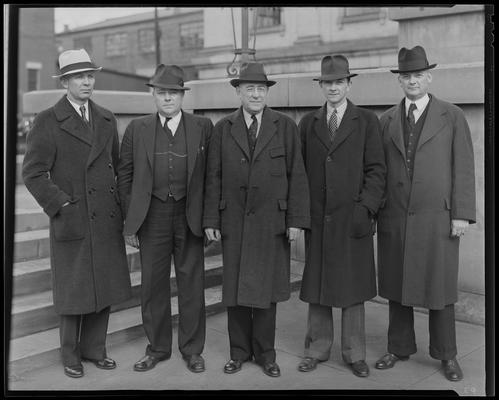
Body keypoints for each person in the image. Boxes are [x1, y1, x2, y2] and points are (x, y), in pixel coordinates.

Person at [22, 49, 132, 378]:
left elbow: (113, 166)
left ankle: (95, 349)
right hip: (72, 217)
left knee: (104, 287)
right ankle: (70, 355)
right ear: (65, 82)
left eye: (90, 75)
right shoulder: (47, 120)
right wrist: (60, 204)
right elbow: (33, 173)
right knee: (74, 291)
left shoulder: (106, 118)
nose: (87, 81)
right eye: (79, 77)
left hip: (105, 218)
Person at [375, 45, 476, 382]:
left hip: (438, 218)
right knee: (396, 286)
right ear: (399, 81)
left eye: (418, 75)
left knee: (440, 288)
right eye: (406, 76)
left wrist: (461, 214)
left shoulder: (452, 115)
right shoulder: (386, 119)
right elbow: (378, 171)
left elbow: (463, 167)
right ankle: (398, 347)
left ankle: (446, 355)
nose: (412, 81)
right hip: (396, 216)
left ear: (429, 77)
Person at [203, 62, 310, 378]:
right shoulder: (223, 129)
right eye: (249, 88)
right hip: (233, 221)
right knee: (235, 292)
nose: (255, 94)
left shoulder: (285, 126)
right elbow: (213, 177)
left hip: (271, 223)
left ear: (267, 93)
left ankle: (266, 354)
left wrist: (296, 221)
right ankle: (238, 352)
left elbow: (298, 176)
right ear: (238, 91)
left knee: (266, 292)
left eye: (261, 89)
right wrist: (211, 219)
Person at [117, 64, 213, 373]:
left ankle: (192, 350)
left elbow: (213, 177)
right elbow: (125, 177)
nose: (168, 98)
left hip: (190, 215)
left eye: (173, 93)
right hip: (152, 216)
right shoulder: (137, 129)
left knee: (192, 284)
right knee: (152, 286)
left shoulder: (202, 126)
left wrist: (210, 219)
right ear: (153, 95)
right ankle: (157, 348)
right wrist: (131, 222)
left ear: (182, 95)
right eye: (162, 93)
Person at [296, 55, 386, 378]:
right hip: (319, 220)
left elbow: (377, 171)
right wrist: (302, 214)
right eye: (327, 82)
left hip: (353, 219)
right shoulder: (308, 124)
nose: (333, 88)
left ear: (349, 84)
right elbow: (299, 173)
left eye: (339, 82)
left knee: (352, 287)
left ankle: (354, 353)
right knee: (318, 286)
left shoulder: (367, 121)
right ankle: (316, 349)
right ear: (320, 86)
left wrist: (366, 209)